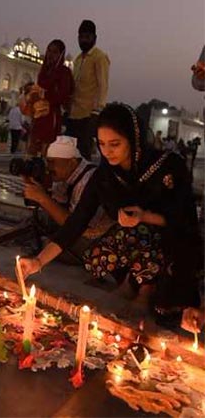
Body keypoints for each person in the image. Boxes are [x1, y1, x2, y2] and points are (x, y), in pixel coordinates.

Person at [20, 103, 203, 317]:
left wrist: (145, 216)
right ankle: (130, 283)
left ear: (133, 139)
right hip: (132, 245)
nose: (107, 152)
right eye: (102, 144)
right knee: (110, 247)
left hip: (173, 244)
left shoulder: (168, 165)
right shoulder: (105, 176)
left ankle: (145, 291)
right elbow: (77, 221)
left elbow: (185, 218)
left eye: (115, 144)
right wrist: (38, 261)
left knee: (143, 238)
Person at [23, 136, 111, 264]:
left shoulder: (89, 180)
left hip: (92, 238)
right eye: (48, 162)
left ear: (72, 162)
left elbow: (76, 225)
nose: (49, 168)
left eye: (53, 163)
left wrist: (43, 198)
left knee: (44, 246)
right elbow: (57, 208)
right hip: (74, 229)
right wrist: (34, 188)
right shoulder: (63, 177)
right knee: (38, 219)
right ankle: (2, 235)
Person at [67, 20, 110, 159]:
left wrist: (97, 111)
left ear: (94, 38)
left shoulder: (99, 57)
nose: (84, 40)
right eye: (81, 37)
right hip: (73, 114)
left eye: (87, 37)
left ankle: (86, 180)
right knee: (71, 153)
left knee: (84, 154)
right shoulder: (78, 59)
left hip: (88, 115)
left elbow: (103, 85)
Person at [27, 39, 74, 156]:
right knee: (33, 150)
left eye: (55, 52)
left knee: (47, 151)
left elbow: (63, 96)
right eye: (49, 51)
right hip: (38, 116)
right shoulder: (44, 72)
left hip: (51, 115)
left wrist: (44, 95)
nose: (50, 55)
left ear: (61, 55)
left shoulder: (63, 72)